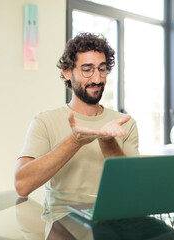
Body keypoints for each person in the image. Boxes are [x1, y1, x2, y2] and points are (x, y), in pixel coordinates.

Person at [15, 32, 139, 199]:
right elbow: (22, 186)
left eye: (102, 69)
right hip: (62, 220)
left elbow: (133, 186)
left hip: (113, 219)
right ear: (67, 72)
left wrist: (108, 142)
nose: (97, 78)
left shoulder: (125, 124)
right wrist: (75, 141)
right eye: (87, 70)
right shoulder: (45, 122)